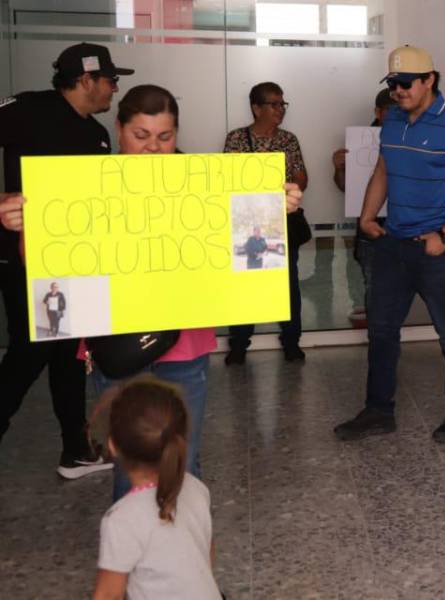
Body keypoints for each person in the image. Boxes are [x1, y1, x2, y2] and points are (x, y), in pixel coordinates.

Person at [0, 84, 305, 501]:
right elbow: (44, 265)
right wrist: (25, 224)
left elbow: (248, 248)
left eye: (164, 136)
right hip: (115, 345)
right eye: (141, 135)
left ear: (177, 133)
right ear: (119, 129)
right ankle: (136, 542)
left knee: (184, 463)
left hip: (185, 345)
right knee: (131, 472)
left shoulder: (202, 184)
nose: (152, 148)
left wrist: (273, 205)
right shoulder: (83, 185)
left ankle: (183, 541)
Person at [333, 45, 445, 444]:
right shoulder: (392, 120)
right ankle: (378, 410)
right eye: (393, 84)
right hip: (394, 243)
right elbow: (383, 170)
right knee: (381, 330)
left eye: (406, 83)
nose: (398, 91)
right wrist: (367, 217)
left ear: (429, 80)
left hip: (438, 249)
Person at [0, 42, 131, 480]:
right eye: (111, 79)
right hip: (25, 261)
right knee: (28, 354)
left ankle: (75, 449)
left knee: (71, 354)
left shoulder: (97, 135)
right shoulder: (28, 109)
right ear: (87, 79)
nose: (115, 88)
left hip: (75, 266)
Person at [91, 377, 221, 600]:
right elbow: (206, 555)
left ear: (113, 446)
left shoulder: (122, 519)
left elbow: (108, 595)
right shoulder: (195, 487)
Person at [223, 81, 309, 364]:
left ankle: (291, 341)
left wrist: (287, 190)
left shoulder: (288, 140)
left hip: (282, 222)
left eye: (282, 104)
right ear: (256, 108)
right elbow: (228, 178)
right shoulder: (237, 138)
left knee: (288, 285)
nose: (280, 109)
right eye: (274, 104)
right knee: (245, 284)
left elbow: (302, 177)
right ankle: (239, 344)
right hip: (246, 224)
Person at [334, 88, 397, 327]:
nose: (397, 114)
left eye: (400, 109)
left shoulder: (412, 138)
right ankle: (379, 334)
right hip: (371, 227)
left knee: (402, 283)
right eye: (390, 110)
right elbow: (346, 187)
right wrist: (339, 167)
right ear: (378, 112)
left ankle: (389, 330)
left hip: (405, 224)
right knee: (372, 282)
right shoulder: (360, 142)